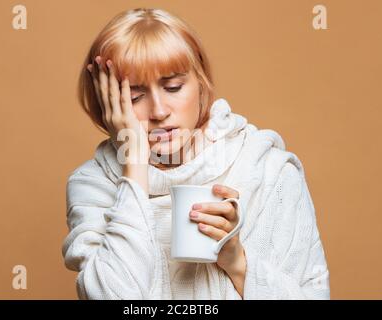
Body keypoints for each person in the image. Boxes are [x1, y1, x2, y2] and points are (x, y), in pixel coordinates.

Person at [61, 7, 330, 300]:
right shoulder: (93, 183)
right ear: (108, 104)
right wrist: (135, 160)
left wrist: (236, 260)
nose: (160, 111)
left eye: (173, 87)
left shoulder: (267, 170)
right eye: (135, 97)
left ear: (201, 84)